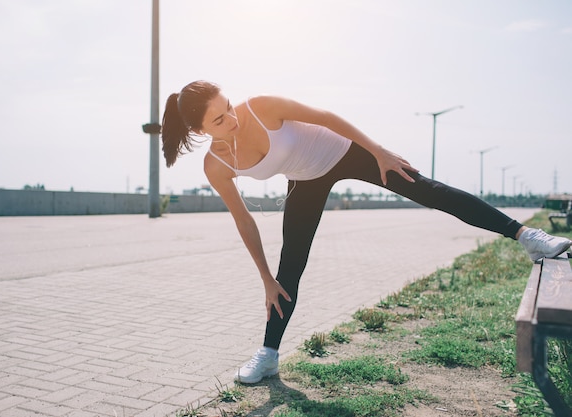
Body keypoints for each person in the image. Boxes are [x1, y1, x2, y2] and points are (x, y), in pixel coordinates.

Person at [161, 80, 572, 384]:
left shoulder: (261, 107)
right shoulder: (216, 166)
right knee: (289, 270)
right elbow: (243, 220)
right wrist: (265, 279)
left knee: (427, 190)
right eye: (219, 118)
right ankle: (268, 354)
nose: (231, 118)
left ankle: (527, 237)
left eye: (228, 106)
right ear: (200, 131)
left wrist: (377, 151)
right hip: (306, 180)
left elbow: (325, 118)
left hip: (345, 151)